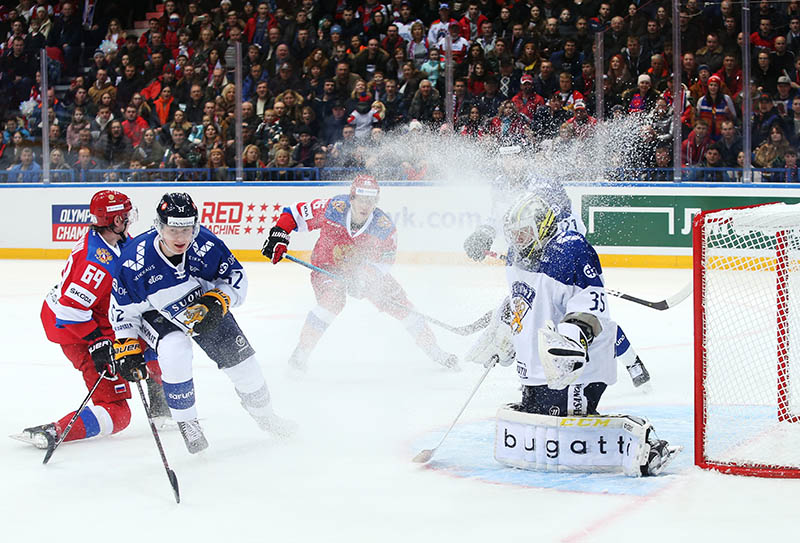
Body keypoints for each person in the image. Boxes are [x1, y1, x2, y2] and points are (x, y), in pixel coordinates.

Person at [466, 193, 679, 476]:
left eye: (525, 233)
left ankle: (647, 446)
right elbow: (523, 301)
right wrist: (505, 329)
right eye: (514, 234)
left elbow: (592, 312)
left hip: (576, 370)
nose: (519, 240)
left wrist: (569, 342)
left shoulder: (571, 251)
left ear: (542, 226)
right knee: (540, 431)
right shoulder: (517, 256)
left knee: (566, 435)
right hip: (536, 370)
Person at [110, 193, 295, 453]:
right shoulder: (134, 261)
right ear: (159, 227)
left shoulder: (206, 245)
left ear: (195, 226)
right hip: (158, 313)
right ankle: (187, 422)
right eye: (173, 229)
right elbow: (122, 311)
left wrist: (218, 300)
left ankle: (266, 416)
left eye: (186, 229)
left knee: (246, 368)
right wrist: (127, 344)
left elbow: (236, 277)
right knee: (175, 349)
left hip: (202, 307)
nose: (180, 238)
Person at [463, 146, 651, 388]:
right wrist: (484, 234)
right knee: (537, 313)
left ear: (523, 159)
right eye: (506, 159)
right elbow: (497, 217)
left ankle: (632, 360)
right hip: (533, 253)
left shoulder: (543, 185)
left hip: (565, 251)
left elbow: (562, 222)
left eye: (515, 159)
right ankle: (539, 369)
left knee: (588, 316)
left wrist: (555, 260)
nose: (510, 164)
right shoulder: (499, 185)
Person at [12, 191, 169, 452]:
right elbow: (69, 311)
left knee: (153, 335)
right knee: (119, 413)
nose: (130, 220)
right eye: (126, 216)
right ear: (116, 220)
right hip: (75, 330)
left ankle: (161, 403)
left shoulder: (115, 241)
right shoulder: (93, 263)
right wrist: (97, 342)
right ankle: (56, 431)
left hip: (96, 319)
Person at [261, 175, 459, 372]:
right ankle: (300, 354)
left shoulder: (384, 227)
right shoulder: (333, 208)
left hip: (365, 271)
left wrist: (364, 278)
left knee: (402, 305)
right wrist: (279, 234)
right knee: (333, 299)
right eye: (362, 199)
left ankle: (434, 351)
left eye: (371, 200)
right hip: (327, 267)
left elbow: (385, 261)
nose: (366, 205)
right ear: (352, 198)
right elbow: (294, 213)